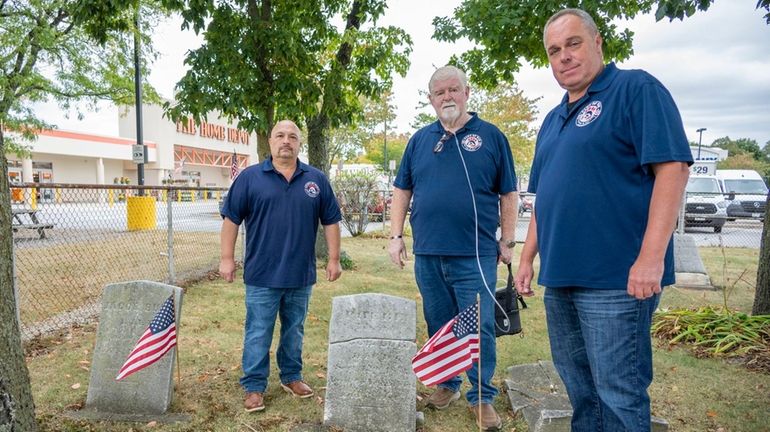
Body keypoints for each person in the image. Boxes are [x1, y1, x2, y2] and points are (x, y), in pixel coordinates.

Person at [515, 8, 692, 431]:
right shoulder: (553, 119)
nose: (564, 57)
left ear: (597, 42)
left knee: (619, 394)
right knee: (581, 392)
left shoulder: (635, 89)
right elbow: (546, 198)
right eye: (554, 50)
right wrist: (526, 257)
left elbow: (673, 169)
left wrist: (651, 258)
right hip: (560, 279)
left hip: (616, 280)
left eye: (573, 44)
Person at [388, 65, 518, 431]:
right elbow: (402, 190)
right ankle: (448, 384)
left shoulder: (491, 137)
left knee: (478, 328)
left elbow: (508, 193)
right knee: (440, 324)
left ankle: (482, 396)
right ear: (430, 100)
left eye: (453, 90)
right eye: (439, 92)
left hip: (473, 254)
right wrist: (395, 236)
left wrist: (507, 241)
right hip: (428, 253)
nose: (447, 97)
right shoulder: (419, 140)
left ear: (467, 92)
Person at [219, 120, 343, 413]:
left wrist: (334, 259)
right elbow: (231, 220)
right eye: (280, 136)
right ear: (270, 141)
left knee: (294, 330)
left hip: (300, 275)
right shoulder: (250, 178)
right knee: (258, 331)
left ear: (299, 143)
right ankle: (253, 386)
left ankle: (291, 376)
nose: (286, 141)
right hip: (261, 275)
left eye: (292, 136)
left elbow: (331, 221)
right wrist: (226, 259)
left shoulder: (316, 180)